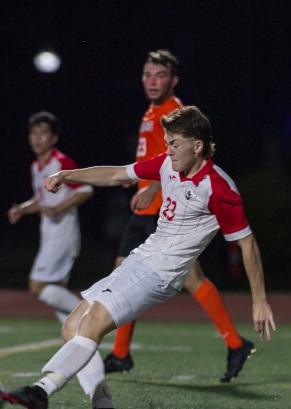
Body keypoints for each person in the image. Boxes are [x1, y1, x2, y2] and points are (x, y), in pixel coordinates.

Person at [2, 106, 275, 409]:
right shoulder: (166, 164)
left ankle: (41, 390)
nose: (168, 149)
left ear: (198, 146)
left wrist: (259, 300)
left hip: (162, 274)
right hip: (140, 259)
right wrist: (67, 176)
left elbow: (247, 244)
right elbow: (117, 174)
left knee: (91, 324)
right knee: (72, 327)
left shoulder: (218, 187)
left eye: (175, 143)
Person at [104, 50, 252, 383]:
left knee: (190, 278)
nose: (152, 81)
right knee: (123, 274)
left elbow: (176, 162)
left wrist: (154, 187)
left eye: (159, 75)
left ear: (173, 80)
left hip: (166, 213)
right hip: (145, 211)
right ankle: (121, 353)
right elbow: (156, 157)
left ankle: (235, 343)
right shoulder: (151, 111)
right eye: (147, 74)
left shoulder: (174, 113)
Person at [8, 112, 93, 324]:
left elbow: (85, 190)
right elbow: (40, 200)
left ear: (54, 138)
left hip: (62, 234)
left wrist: (59, 208)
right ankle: (76, 339)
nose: (37, 138)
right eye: (33, 133)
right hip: (49, 235)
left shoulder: (61, 162)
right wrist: (22, 209)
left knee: (37, 286)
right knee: (57, 289)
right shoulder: (36, 166)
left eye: (43, 133)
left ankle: (90, 317)